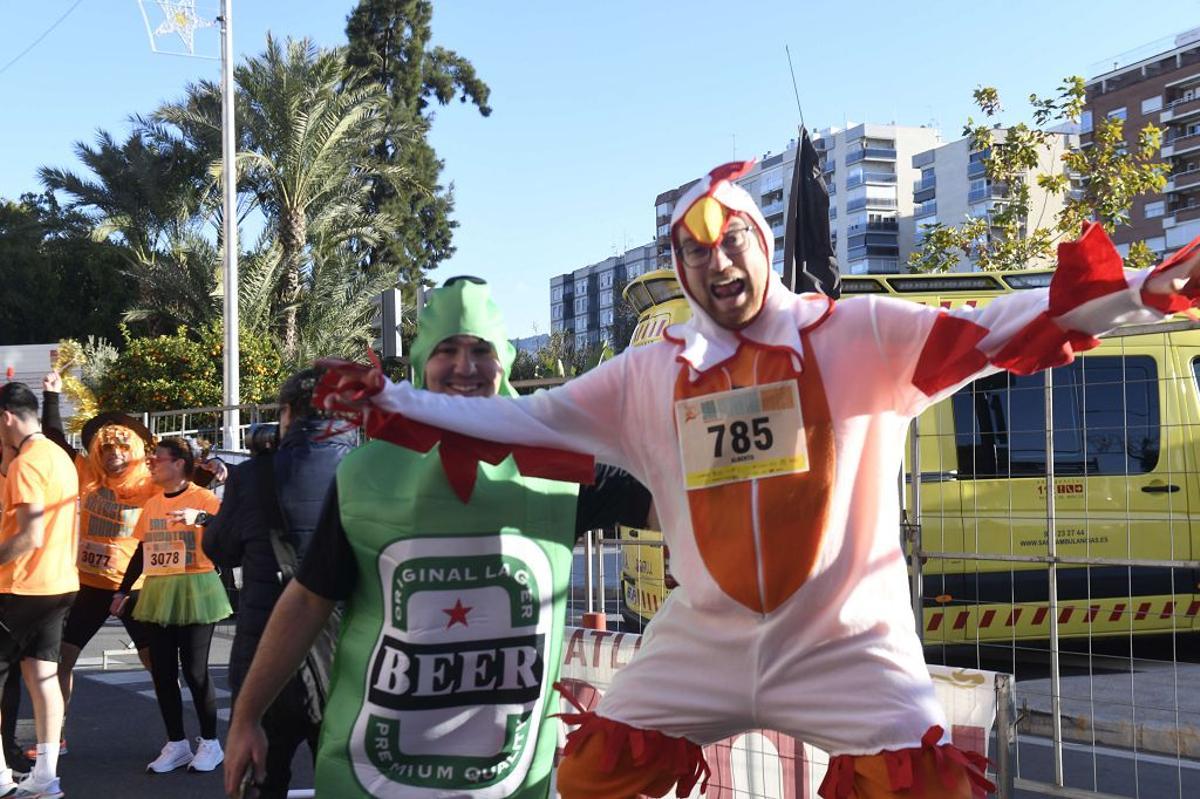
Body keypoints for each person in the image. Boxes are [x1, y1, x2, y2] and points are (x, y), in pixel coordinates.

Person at [313, 161, 1200, 799]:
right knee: (593, 771)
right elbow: (527, 418)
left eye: (731, 238)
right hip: (704, 638)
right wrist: (392, 401)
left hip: (848, 644)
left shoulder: (856, 333)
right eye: (694, 253)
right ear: (682, 270)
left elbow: (993, 326)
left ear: (760, 242)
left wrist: (1139, 294)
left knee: (919, 786)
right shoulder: (649, 373)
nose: (717, 262)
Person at [223, 277, 650, 798]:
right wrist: (247, 717)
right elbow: (309, 599)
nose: (465, 366)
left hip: (505, 780)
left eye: (480, 350)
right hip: (379, 776)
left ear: (505, 363)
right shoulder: (367, 472)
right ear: (423, 362)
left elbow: (668, 505)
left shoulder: (556, 466)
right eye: (446, 350)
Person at [200, 367, 356, 798]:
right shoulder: (368, 472)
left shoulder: (253, 477)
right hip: (344, 657)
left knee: (263, 777)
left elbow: (220, 547)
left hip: (263, 655)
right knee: (346, 779)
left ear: (288, 412)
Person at [39, 373, 158, 756]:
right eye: (106, 449)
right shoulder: (87, 473)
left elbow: (194, 479)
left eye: (122, 448)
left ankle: (178, 736)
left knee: (155, 663)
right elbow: (55, 441)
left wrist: (214, 469)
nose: (114, 455)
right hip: (89, 583)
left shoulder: (152, 480)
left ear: (136, 449)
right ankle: (54, 735)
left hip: (134, 586)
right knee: (63, 658)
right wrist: (52, 395)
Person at [112, 437, 230, 775]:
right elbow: (142, 549)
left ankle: (210, 742)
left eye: (157, 458)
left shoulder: (204, 498)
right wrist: (121, 591)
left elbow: (231, 533)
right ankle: (176, 743)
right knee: (162, 671)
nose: (150, 462)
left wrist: (203, 518)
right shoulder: (152, 504)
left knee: (195, 671)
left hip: (197, 588)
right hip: (159, 589)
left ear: (179, 463)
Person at [0, 382, 79, 799]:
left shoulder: (27, 463)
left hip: (22, 585)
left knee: (26, 676)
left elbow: (29, 534)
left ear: (6, 417)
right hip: (60, 581)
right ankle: (46, 776)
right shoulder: (58, 456)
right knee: (43, 675)